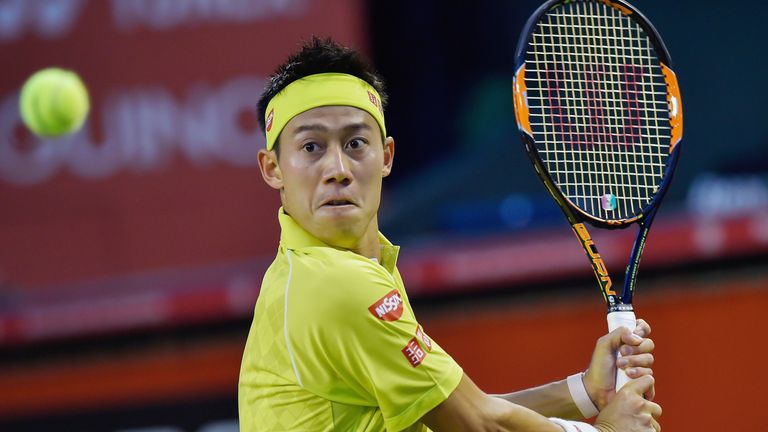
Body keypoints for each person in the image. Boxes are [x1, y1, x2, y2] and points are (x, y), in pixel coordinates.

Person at [238, 37, 661, 432]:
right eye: (311, 147)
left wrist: (585, 392)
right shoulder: (336, 284)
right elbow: (479, 423)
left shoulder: (331, 270)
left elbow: (452, 411)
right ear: (272, 168)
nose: (338, 170)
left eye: (355, 144)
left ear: (386, 156)